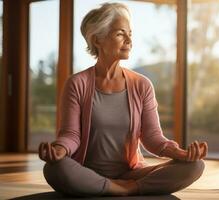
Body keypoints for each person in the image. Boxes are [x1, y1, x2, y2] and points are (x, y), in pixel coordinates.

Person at [38, 2, 208, 197]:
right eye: (120, 34)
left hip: (130, 174)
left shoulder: (142, 85)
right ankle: (118, 187)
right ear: (98, 40)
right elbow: (71, 135)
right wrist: (59, 150)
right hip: (85, 171)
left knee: (195, 165)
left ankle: (122, 188)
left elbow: (153, 138)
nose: (129, 40)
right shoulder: (77, 84)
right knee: (53, 169)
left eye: (130, 34)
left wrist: (181, 154)